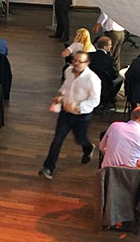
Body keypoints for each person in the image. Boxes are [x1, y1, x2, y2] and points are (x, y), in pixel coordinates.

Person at [40, 51, 101, 179]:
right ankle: (48, 167)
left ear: (87, 63)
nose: (76, 64)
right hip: (65, 113)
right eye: (75, 60)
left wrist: (77, 107)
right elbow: (66, 87)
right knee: (57, 140)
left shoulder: (93, 79)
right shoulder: (68, 71)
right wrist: (60, 96)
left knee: (80, 139)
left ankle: (88, 148)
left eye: (80, 61)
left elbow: (95, 100)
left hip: (81, 116)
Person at [87, 36, 123, 109]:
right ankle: (110, 98)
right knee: (120, 79)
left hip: (90, 82)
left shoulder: (89, 55)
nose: (111, 47)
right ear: (105, 46)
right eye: (110, 45)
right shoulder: (109, 59)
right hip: (105, 83)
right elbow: (114, 74)